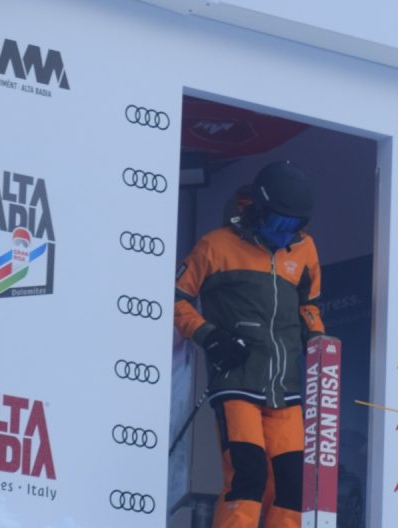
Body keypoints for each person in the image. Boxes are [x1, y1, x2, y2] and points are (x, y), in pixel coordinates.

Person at [174, 160, 324, 528]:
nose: (284, 234)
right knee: (248, 476)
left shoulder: (304, 250)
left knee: (292, 487)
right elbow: (175, 300)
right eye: (278, 223)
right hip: (237, 381)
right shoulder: (216, 246)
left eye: (294, 226)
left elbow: (308, 306)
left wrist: (319, 341)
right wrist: (210, 337)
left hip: (285, 388)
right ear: (258, 208)